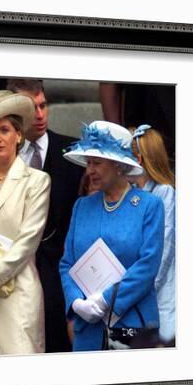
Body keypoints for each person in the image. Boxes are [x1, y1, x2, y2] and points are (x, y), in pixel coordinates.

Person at [60, 120, 165, 351]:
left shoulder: (149, 205)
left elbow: (148, 266)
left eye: (96, 162)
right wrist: (77, 302)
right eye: (88, 163)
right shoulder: (82, 206)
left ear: (118, 165)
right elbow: (67, 263)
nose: (89, 171)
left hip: (132, 326)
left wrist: (106, 299)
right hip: (88, 329)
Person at [0, 90, 50, 355]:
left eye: (4, 130)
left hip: (18, 293)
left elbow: (27, 242)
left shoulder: (37, 181)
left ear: (18, 135)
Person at [6, 78, 82, 352]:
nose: (39, 115)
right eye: (30, 108)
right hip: (13, 274)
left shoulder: (75, 154)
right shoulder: (0, 158)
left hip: (61, 275)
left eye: (43, 105)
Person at [130, 124, 176, 346]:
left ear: (137, 160)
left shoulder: (165, 192)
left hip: (158, 288)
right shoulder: (133, 195)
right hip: (137, 289)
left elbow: (164, 247)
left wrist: (139, 289)